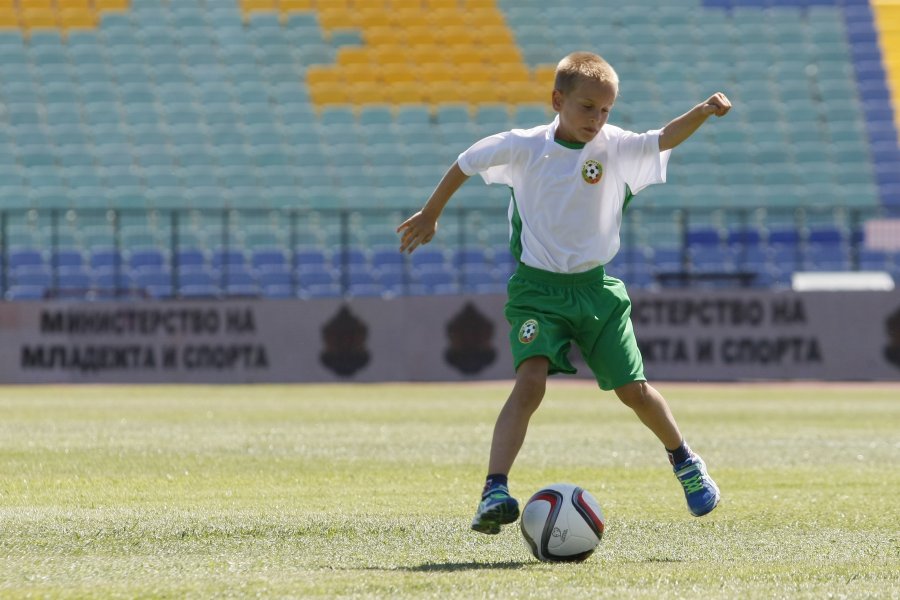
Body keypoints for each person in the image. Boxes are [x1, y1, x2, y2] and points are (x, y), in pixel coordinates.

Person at [397, 51, 731, 535]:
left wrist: (701, 111)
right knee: (530, 382)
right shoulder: (524, 147)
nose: (596, 120)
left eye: (605, 111)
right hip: (537, 291)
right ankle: (494, 489)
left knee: (633, 391)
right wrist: (430, 213)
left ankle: (684, 461)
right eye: (587, 108)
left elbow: (662, 138)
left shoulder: (614, 148)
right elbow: (466, 163)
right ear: (558, 100)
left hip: (597, 291)